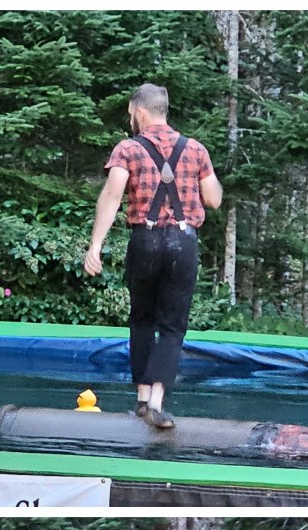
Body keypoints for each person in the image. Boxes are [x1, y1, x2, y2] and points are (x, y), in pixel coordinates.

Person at [84, 83, 222, 428]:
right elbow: (214, 199)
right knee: (173, 326)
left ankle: (143, 399)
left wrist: (95, 246)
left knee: (142, 319)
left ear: (140, 112)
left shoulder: (128, 149)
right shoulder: (195, 149)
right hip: (183, 242)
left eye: (132, 113)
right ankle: (158, 401)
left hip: (143, 241)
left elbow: (112, 196)